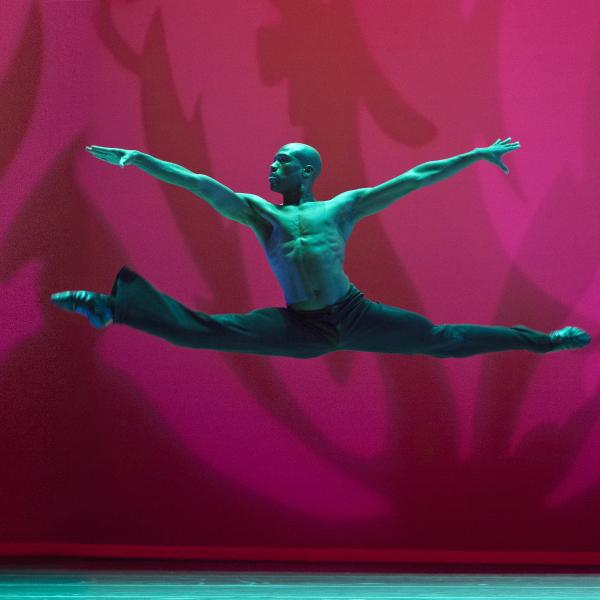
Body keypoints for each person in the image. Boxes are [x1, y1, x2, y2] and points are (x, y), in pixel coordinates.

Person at [51, 139, 590, 358]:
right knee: (208, 332)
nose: (272, 166)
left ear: (307, 171)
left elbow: (418, 175)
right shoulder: (258, 212)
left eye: (283, 161)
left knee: (438, 338)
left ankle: (542, 341)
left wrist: (474, 154)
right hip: (299, 327)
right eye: (273, 161)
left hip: (355, 315)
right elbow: (197, 182)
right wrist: (140, 160)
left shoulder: (342, 207)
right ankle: (113, 308)